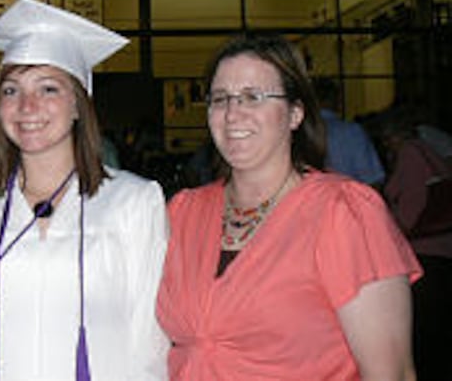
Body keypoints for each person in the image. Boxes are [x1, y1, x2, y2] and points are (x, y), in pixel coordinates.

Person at [0, 0, 169, 380]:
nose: (27, 106)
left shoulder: (133, 204)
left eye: (48, 89)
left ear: (79, 104)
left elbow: (149, 343)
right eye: (11, 90)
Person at [156, 35, 422, 380]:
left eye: (253, 97)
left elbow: (391, 373)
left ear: (295, 113)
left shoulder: (344, 211)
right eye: (220, 99)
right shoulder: (183, 213)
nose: (233, 114)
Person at [379, 106, 452, 381]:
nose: (386, 144)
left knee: (426, 331)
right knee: (442, 328)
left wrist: (390, 232)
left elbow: (411, 206)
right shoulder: (428, 149)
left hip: (424, 252)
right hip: (444, 245)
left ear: (396, 134)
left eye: (387, 138)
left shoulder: (410, 154)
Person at [313, 76, 385, 187]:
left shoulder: (296, 132)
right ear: (333, 99)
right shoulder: (351, 132)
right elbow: (373, 178)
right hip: (349, 200)